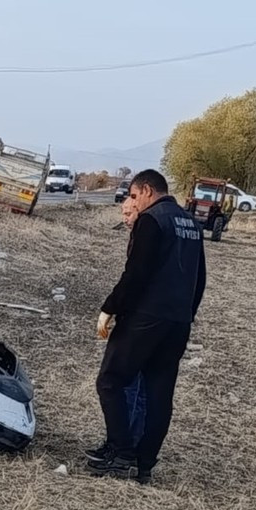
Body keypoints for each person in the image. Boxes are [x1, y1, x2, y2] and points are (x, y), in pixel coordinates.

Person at [88, 169, 206, 483]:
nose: (135, 203)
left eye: (136, 196)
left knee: (111, 380)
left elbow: (137, 273)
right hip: (178, 322)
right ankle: (145, 463)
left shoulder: (152, 220)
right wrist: (186, 314)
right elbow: (200, 278)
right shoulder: (191, 223)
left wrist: (110, 307)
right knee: (159, 393)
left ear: (147, 190)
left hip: (146, 317)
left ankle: (121, 450)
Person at [86, 195, 147, 464]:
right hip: (152, 320)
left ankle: (124, 446)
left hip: (142, 321)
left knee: (124, 384)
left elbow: (134, 278)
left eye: (129, 213)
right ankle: (129, 442)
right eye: (123, 214)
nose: (126, 219)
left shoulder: (149, 231)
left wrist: (111, 309)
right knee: (137, 385)